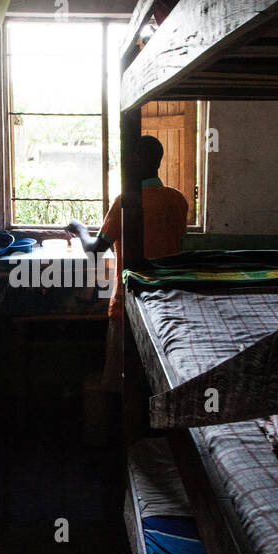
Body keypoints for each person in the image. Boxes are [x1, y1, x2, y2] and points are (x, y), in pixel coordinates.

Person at [66, 135, 189, 390]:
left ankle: (119, 429)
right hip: (171, 305)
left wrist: (78, 228)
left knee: (121, 384)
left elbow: (94, 250)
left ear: (136, 161)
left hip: (129, 306)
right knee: (159, 384)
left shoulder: (127, 202)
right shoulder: (178, 199)